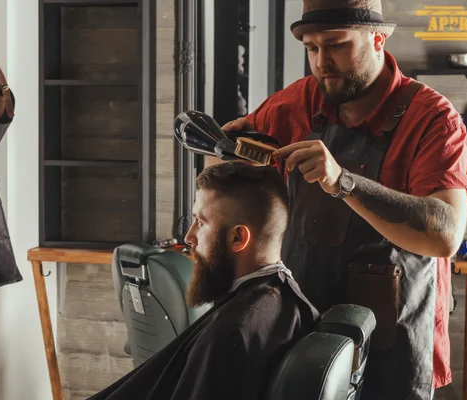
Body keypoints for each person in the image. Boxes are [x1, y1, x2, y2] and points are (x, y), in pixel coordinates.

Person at [207, 1, 467, 399]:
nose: (322, 62)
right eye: (312, 49)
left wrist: (344, 182)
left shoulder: (433, 119)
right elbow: (229, 165)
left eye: (335, 45)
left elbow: (446, 235)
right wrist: (227, 154)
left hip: (393, 346)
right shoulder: (298, 102)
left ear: (378, 39)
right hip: (306, 336)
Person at [89, 162, 319, 400]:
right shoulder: (289, 302)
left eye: (200, 222)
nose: (189, 237)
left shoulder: (230, 334)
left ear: (238, 237)